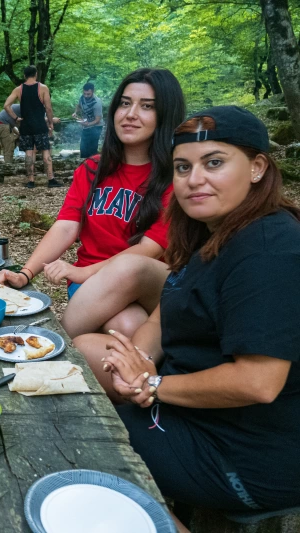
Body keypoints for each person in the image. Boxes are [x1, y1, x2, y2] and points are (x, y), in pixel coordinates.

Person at [76, 107, 300, 532]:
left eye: (214, 162)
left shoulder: (269, 251)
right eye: (183, 167)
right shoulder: (212, 231)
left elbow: (259, 382)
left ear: (257, 168)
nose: (194, 179)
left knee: (85, 443)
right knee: (85, 352)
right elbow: (164, 316)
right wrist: (136, 359)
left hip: (247, 454)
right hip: (200, 414)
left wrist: (153, 384)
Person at [0, 68, 185, 338]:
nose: (130, 114)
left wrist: (82, 272)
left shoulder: (176, 179)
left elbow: (148, 251)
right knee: (127, 327)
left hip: (146, 283)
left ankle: (48, 346)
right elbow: (66, 227)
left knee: (129, 280)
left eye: (147, 107)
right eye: (125, 103)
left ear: (166, 114)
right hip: (92, 283)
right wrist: (26, 274)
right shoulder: (93, 169)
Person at [3, 65, 63, 188]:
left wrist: (16, 118)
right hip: (40, 125)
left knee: (29, 153)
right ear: (36, 74)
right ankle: (51, 180)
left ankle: (31, 181)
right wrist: (50, 123)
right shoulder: (43, 88)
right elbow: (48, 108)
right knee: (46, 151)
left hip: (26, 126)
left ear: (24, 76)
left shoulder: (18, 89)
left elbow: (6, 106)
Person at [72, 82, 103, 157]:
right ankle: (83, 164)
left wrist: (88, 124)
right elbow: (79, 105)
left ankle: (93, 166)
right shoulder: (82, 97)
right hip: (86, 125)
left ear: (93, 91)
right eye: (84, 93)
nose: (86, 96)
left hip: (96, 127)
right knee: (83, 148)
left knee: (91, 150)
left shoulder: (97, 102)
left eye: (88, 94)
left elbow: (97, 120)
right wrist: (75, 112)